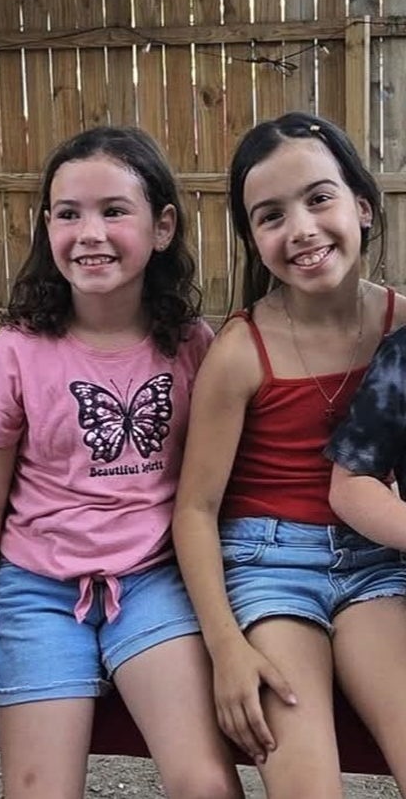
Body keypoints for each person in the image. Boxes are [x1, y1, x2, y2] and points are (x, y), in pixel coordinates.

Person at [0, 126, 243, 799]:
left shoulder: (195, 348)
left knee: (205, 784)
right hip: (37, 592)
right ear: (46, 227)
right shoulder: (16, 353)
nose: (89, 234)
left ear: (162, 226)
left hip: (152, 581)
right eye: (68, 213)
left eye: (114, 211)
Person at [173, 112, 406, 795]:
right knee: (308, 784)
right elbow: (194, 510)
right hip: (269, 567)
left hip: (376, 561)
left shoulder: (400, 324)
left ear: (362, 206)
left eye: (319, 198)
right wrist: (224, 646)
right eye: (271, 216)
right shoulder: (241, 350)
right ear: (254, 240)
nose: (300, 229)